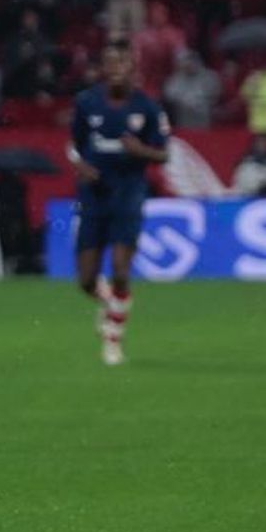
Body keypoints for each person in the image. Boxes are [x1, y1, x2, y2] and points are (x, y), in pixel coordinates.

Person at [68, 40, 169, 367]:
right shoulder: (86, 103)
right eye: (110, 63)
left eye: (122, 64)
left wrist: (142, 152)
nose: (115, 70)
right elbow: (73, 146)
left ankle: (113, 340)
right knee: (86, 279)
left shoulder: (148, 108)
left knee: (122, 270)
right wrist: (81, 167)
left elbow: (165, 153)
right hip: (94, 195)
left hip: (128, 193)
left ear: (132, 68)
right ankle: (110, 302)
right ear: (103, 68)